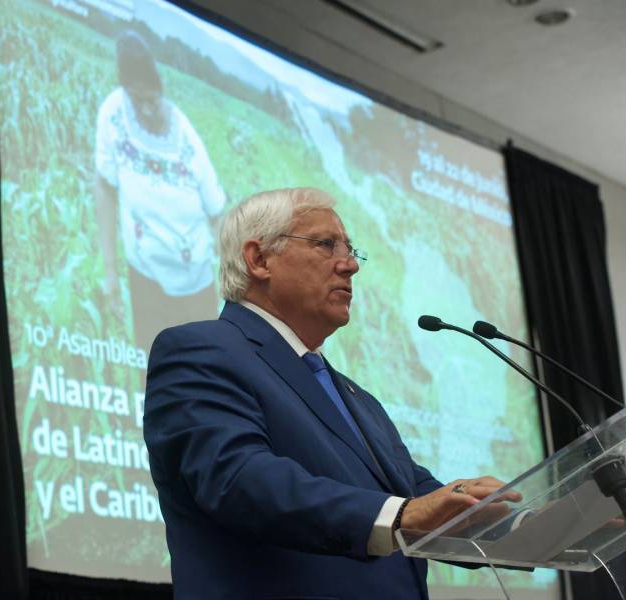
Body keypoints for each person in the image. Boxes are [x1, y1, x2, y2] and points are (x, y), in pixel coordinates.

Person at [143, 188, 517, 599]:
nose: (351, 264)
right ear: (259, 259)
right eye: (326, 244)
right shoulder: (201, 349)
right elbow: (239, 479)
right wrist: (402, 516)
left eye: (351, 249)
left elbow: (423, 497)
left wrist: (543, 524)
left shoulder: (359, 399)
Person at [94, 30, 226, 354]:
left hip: (196, 285)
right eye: (140, 102)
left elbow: (218, 215)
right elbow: (105, 189)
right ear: (126, 90)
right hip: (145, 277)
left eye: (153, 101)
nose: (149, 111)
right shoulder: (113, 114)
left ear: (162, 89)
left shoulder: (186, 138)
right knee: (154, 373)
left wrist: (230, 285)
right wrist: (110, 272)